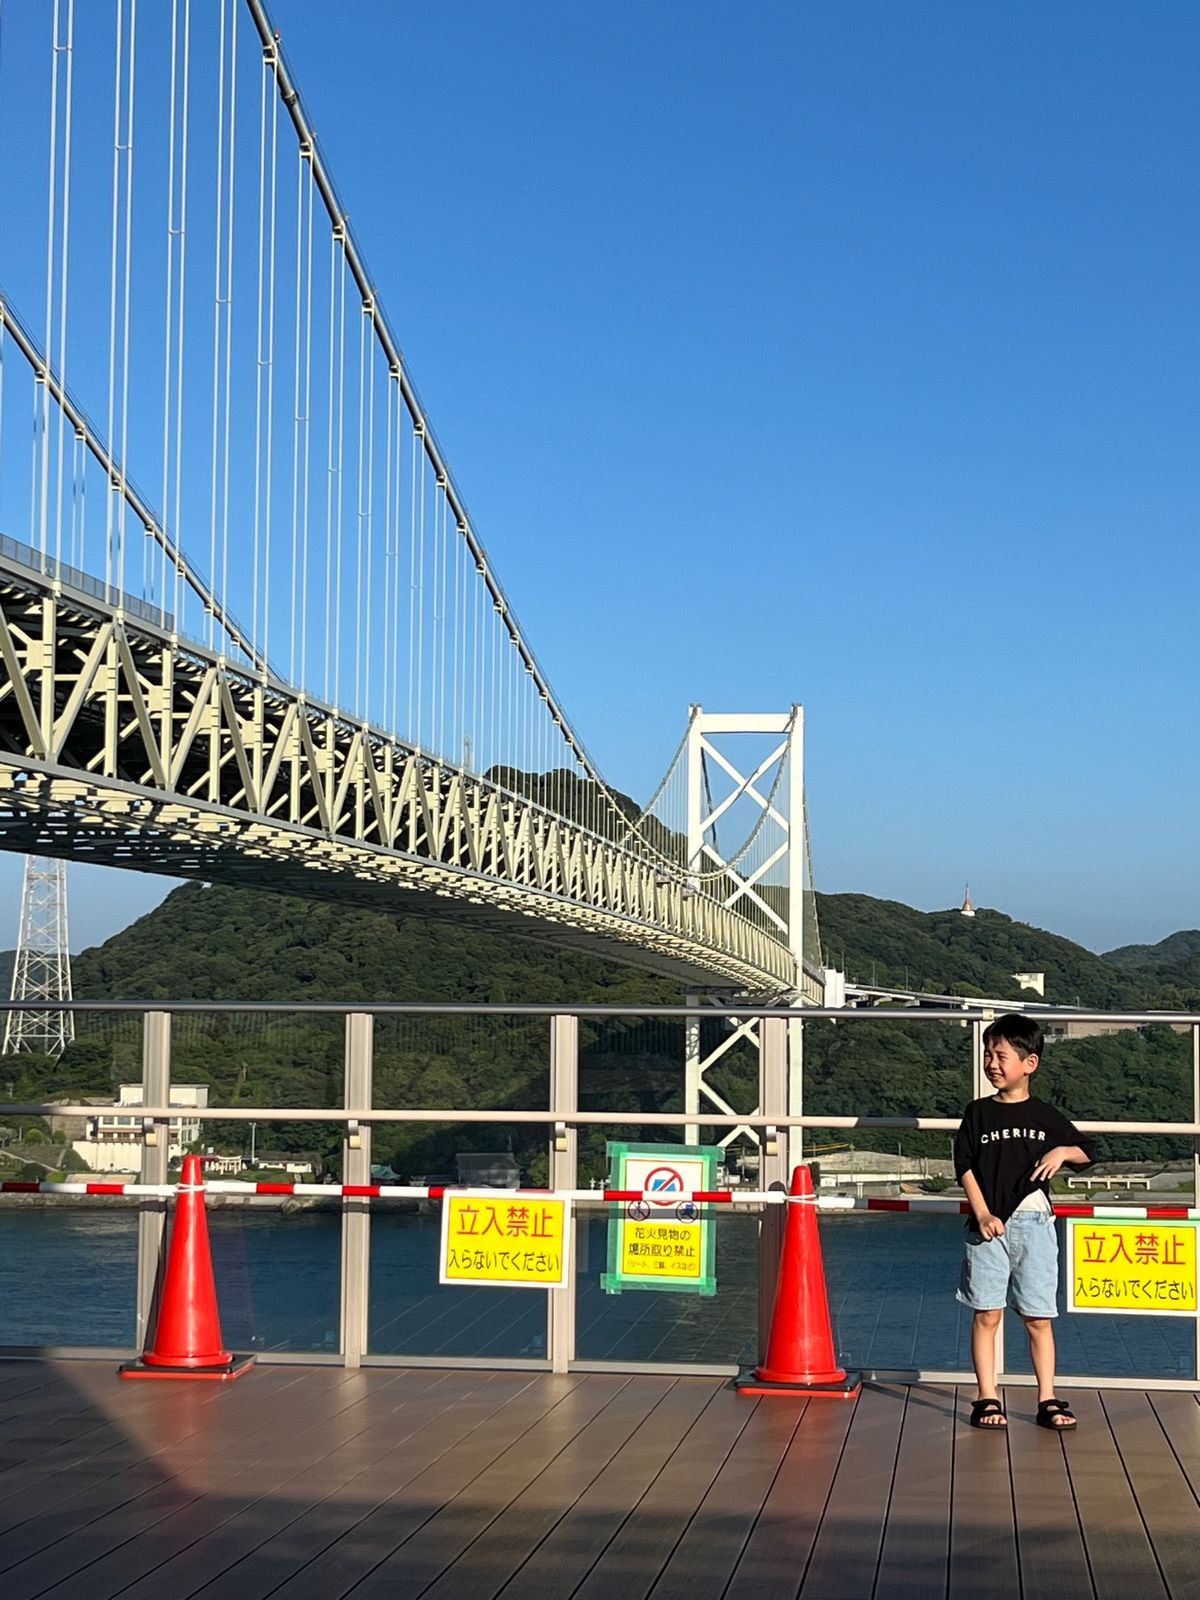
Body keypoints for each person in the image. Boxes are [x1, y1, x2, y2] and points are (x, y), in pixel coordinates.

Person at [954, 1012, 1095, 1431]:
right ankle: (986, 1397)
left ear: (1029, 1063)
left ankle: (1047, 1398)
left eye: (1001, 1055)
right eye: (987, 1054)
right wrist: (981, 1212)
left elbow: (1088, 1151)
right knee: (987, 1313)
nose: (992, 1063)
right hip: (987, 1228)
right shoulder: (978, 1113)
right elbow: (964, 1165)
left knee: (1038, 1317)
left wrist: (1060, 1153)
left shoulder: (1044, 1115)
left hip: (1035, 1226)